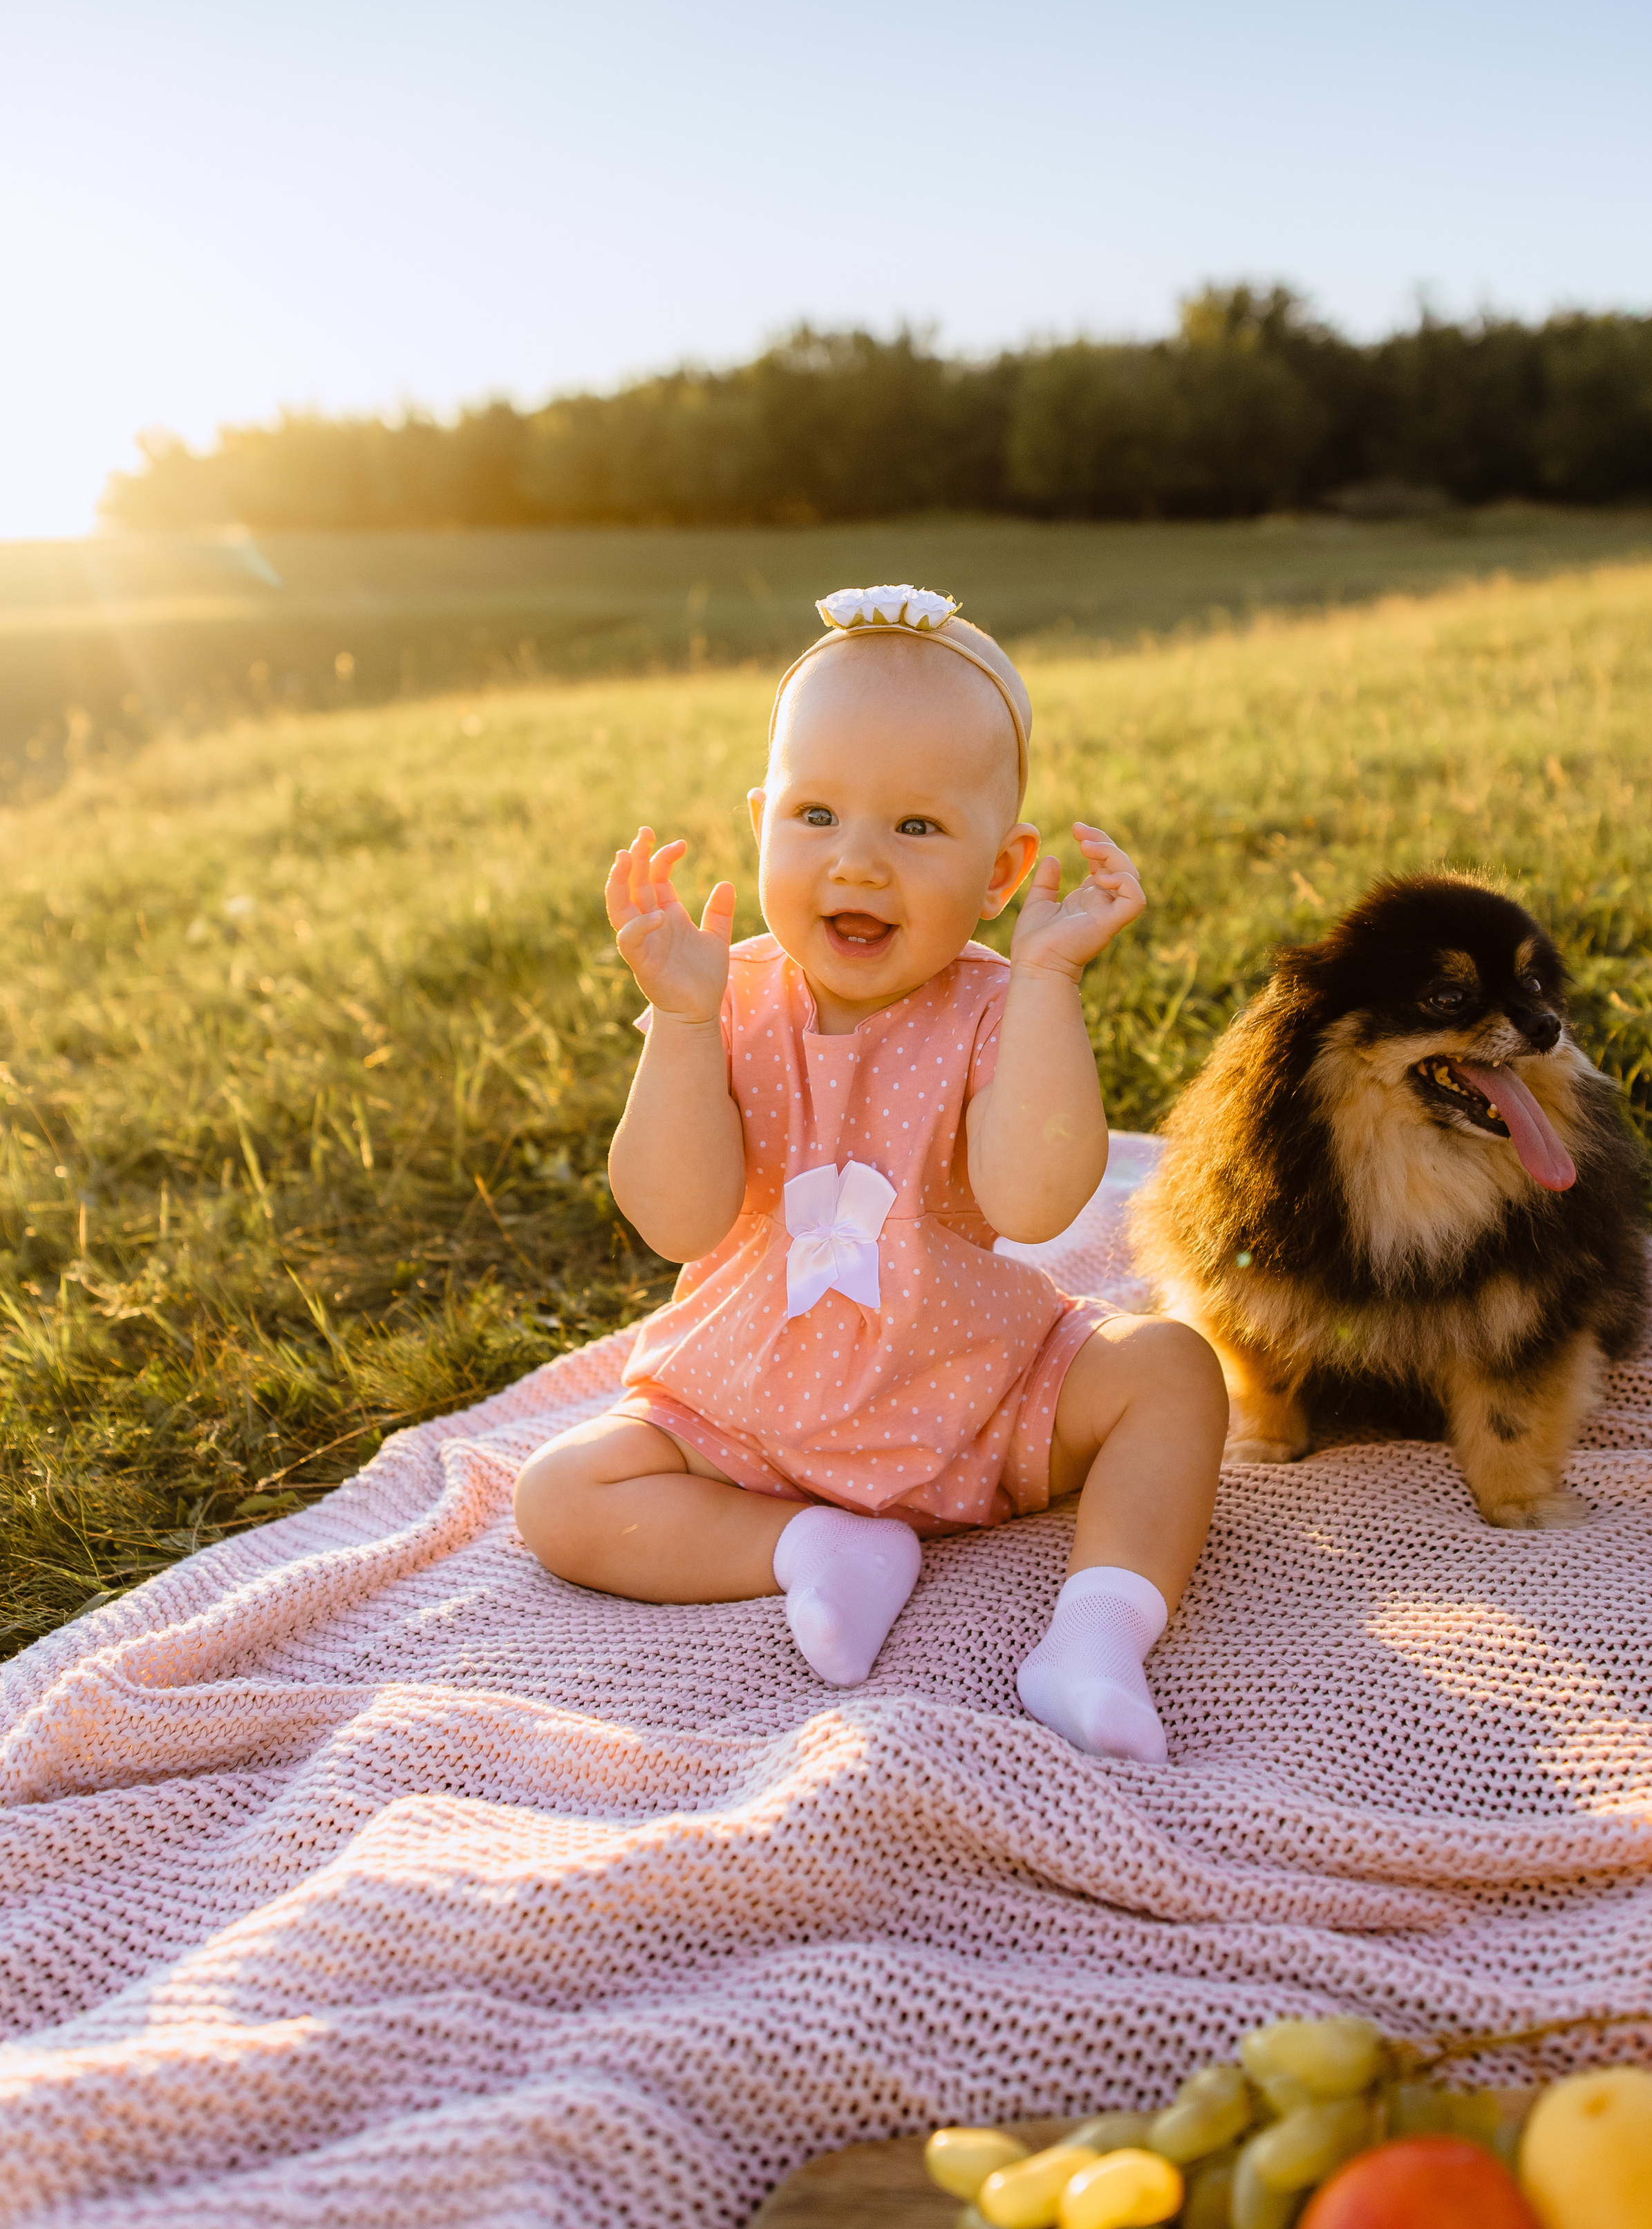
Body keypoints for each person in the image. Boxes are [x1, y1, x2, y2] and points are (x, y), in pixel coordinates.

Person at [514, 587, 1227, 1761]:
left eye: (916, 829)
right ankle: (809, 1548)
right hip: (747, 1406)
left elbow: (1035, 1204)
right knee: (560, 1495)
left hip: (973, 1392)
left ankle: (1096, 1635)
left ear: (1003, 871)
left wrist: (1049, 983)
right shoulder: (723, 995)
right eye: (818, 813)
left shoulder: (999, 1005)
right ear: (762, 821)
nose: (858, 863)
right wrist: (681, 1025)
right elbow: (673, 1217)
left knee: (1171, 1372)